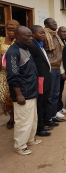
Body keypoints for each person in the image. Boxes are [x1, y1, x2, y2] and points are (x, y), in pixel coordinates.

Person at [6, 26, 41, 155]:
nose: (31, 38)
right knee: (23, 121)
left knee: (32, 118)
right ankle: (20, 145)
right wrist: (19, 94)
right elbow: (12, 75)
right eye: (28, 36)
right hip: (23, 93)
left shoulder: (25, 48)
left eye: (31, 35)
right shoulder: (13, 52)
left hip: (31, 90)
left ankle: (30, 139)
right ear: (18, 36)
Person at [28, 25, 52, 137]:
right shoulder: (32, 46)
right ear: (32, 34)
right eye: (40, 32)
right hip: (39, 79)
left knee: (43, 102)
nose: (43, 34)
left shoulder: (39, 44)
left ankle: (42, 123)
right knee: (40, 103)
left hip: (44, 78)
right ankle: (39, 128)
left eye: (43, 32)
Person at [43, 18, 66, 126]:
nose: (55, 24)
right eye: (52, 23)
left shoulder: (56, 36)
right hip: (50, 69)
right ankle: (48, 118)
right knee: (50, 95)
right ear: (46, 25)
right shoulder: (44, 36)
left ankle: (53, 115)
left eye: (55, 22)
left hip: (57, 68)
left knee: (56, 94)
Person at [0, 19, 19, 129]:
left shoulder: (20, 40)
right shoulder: (1, 40)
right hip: (4, 73)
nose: (11, 30)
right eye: (9, 28)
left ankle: (16, 117)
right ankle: (11, 116)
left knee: (15, 95)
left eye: (14, 28)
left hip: (16, 73)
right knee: (3, 97)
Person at [57, 26, 66, 116]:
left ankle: (60, 107)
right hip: (59, 70)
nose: (65, 33)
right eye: (63, 31)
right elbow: (58, 58)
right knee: (56, 91)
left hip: (63, 69)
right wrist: (62, 71)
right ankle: (56, 110)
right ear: (58, 32)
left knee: (60, 90)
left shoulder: (63, 41)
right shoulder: (56, 41)